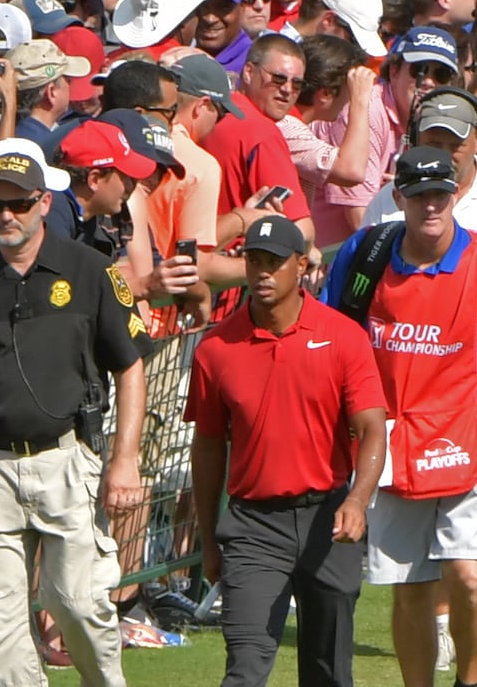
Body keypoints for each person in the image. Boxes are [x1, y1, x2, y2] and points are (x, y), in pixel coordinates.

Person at [0, 131, 150, 687]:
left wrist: (125, 459)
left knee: (77, 605)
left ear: (44, 202)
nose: (7, 214)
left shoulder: (90, 270)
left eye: (19, 202)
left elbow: (131, 366)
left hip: (66, 462)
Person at [322, 145, 477, 687]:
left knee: (469, 577)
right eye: (418, 195)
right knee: (412, 586)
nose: (431, 206)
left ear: (456, 194)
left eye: (440, 194)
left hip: (474, 428)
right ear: (398, 197)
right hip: (391, 438)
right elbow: (333, 336)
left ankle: (467, 682)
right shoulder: (366, 254)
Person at [187, 206, 385, 687]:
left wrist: (358, 501)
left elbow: (373, 428)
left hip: (328, 522)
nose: (262, 272)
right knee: (246, 669)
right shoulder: (215, 349)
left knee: (328, 673)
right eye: (254, 260)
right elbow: (208, 447)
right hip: (253, 527)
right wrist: (209, 539)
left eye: (274, 261)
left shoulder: (343, 338)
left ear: (302, 265)